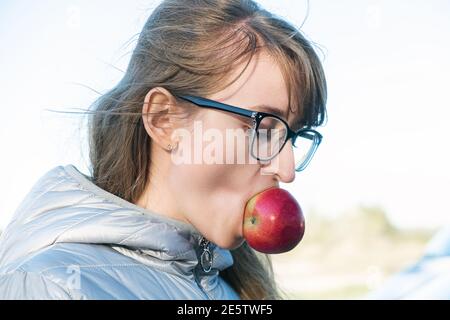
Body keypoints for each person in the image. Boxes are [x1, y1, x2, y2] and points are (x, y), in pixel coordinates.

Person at [0, 0, 327, 300]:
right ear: (164, 120)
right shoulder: (52, 286)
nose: (287, 170)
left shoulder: (233, 290)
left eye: (293, 137)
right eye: (265, 128)